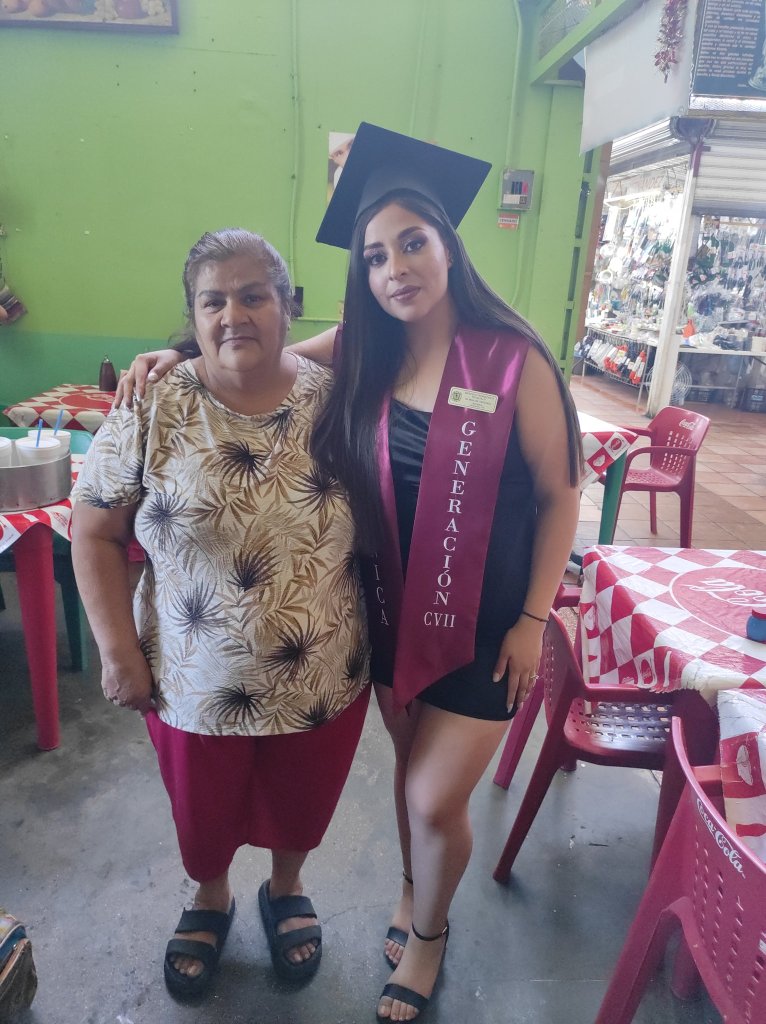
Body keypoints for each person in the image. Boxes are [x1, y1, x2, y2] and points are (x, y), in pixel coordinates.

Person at [115, 124, 583, 1023]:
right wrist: (173, 354)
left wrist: (533, 620)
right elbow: (253, 348)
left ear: (449, 244)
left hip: (488, 629)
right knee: (415, 787)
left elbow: (562, 495)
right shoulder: (366, 350)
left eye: (413, 242)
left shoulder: (512, 359)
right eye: (375, 256)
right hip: (389, 617)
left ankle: (431, 938)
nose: (395, 267)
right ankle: (413, 894)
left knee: (430, 793)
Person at [72, 228, 370, 1000]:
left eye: (253, 296)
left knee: (301, 805)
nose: (233, 314)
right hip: (191, 678)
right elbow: (95, 530)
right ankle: (211, 897)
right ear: (193, 316)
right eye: (214, 301)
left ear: (286, 306)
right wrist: (115, 653)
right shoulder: (154, 402)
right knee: (202, 816)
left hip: (322, 669)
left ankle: (286, 887)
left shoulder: (335, 398)